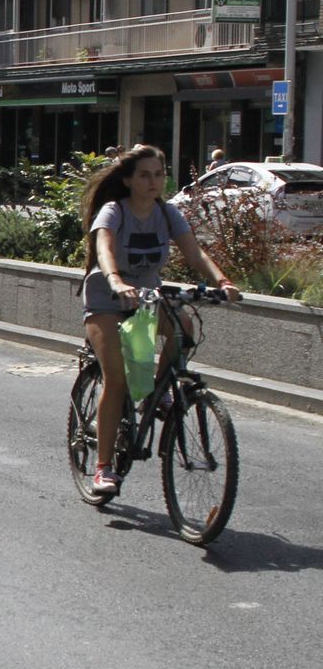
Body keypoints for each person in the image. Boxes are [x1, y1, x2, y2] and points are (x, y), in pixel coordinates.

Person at [79, 144, 241, 496]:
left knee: (184, 327)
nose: (153, 182)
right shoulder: (114, 211)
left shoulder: (167, 214)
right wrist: (116, 281)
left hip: (148, 298)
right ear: (128, 180)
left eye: (159, 174)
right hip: (106, 298)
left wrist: (223, 281)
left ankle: (156, 389)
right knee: (117, 379)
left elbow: (194, 251)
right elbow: (105, 250)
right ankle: (103, 469)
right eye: (144, 175)